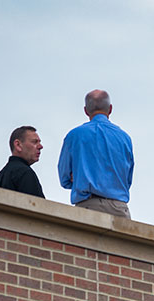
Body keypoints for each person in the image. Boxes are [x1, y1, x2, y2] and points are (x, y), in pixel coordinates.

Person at [57, 89, 134, 218]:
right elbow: (127, 179)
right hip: (120, 210)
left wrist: (80, 178)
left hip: (88, 207)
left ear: (86, 110)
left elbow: (64, 178)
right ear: (110, 109)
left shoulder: (74, 136)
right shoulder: (125, 138)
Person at [0, 126, 45, 198]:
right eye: (34, 142)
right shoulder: (24, 172)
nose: (40, 146)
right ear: (18, 145)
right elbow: (37, 206)